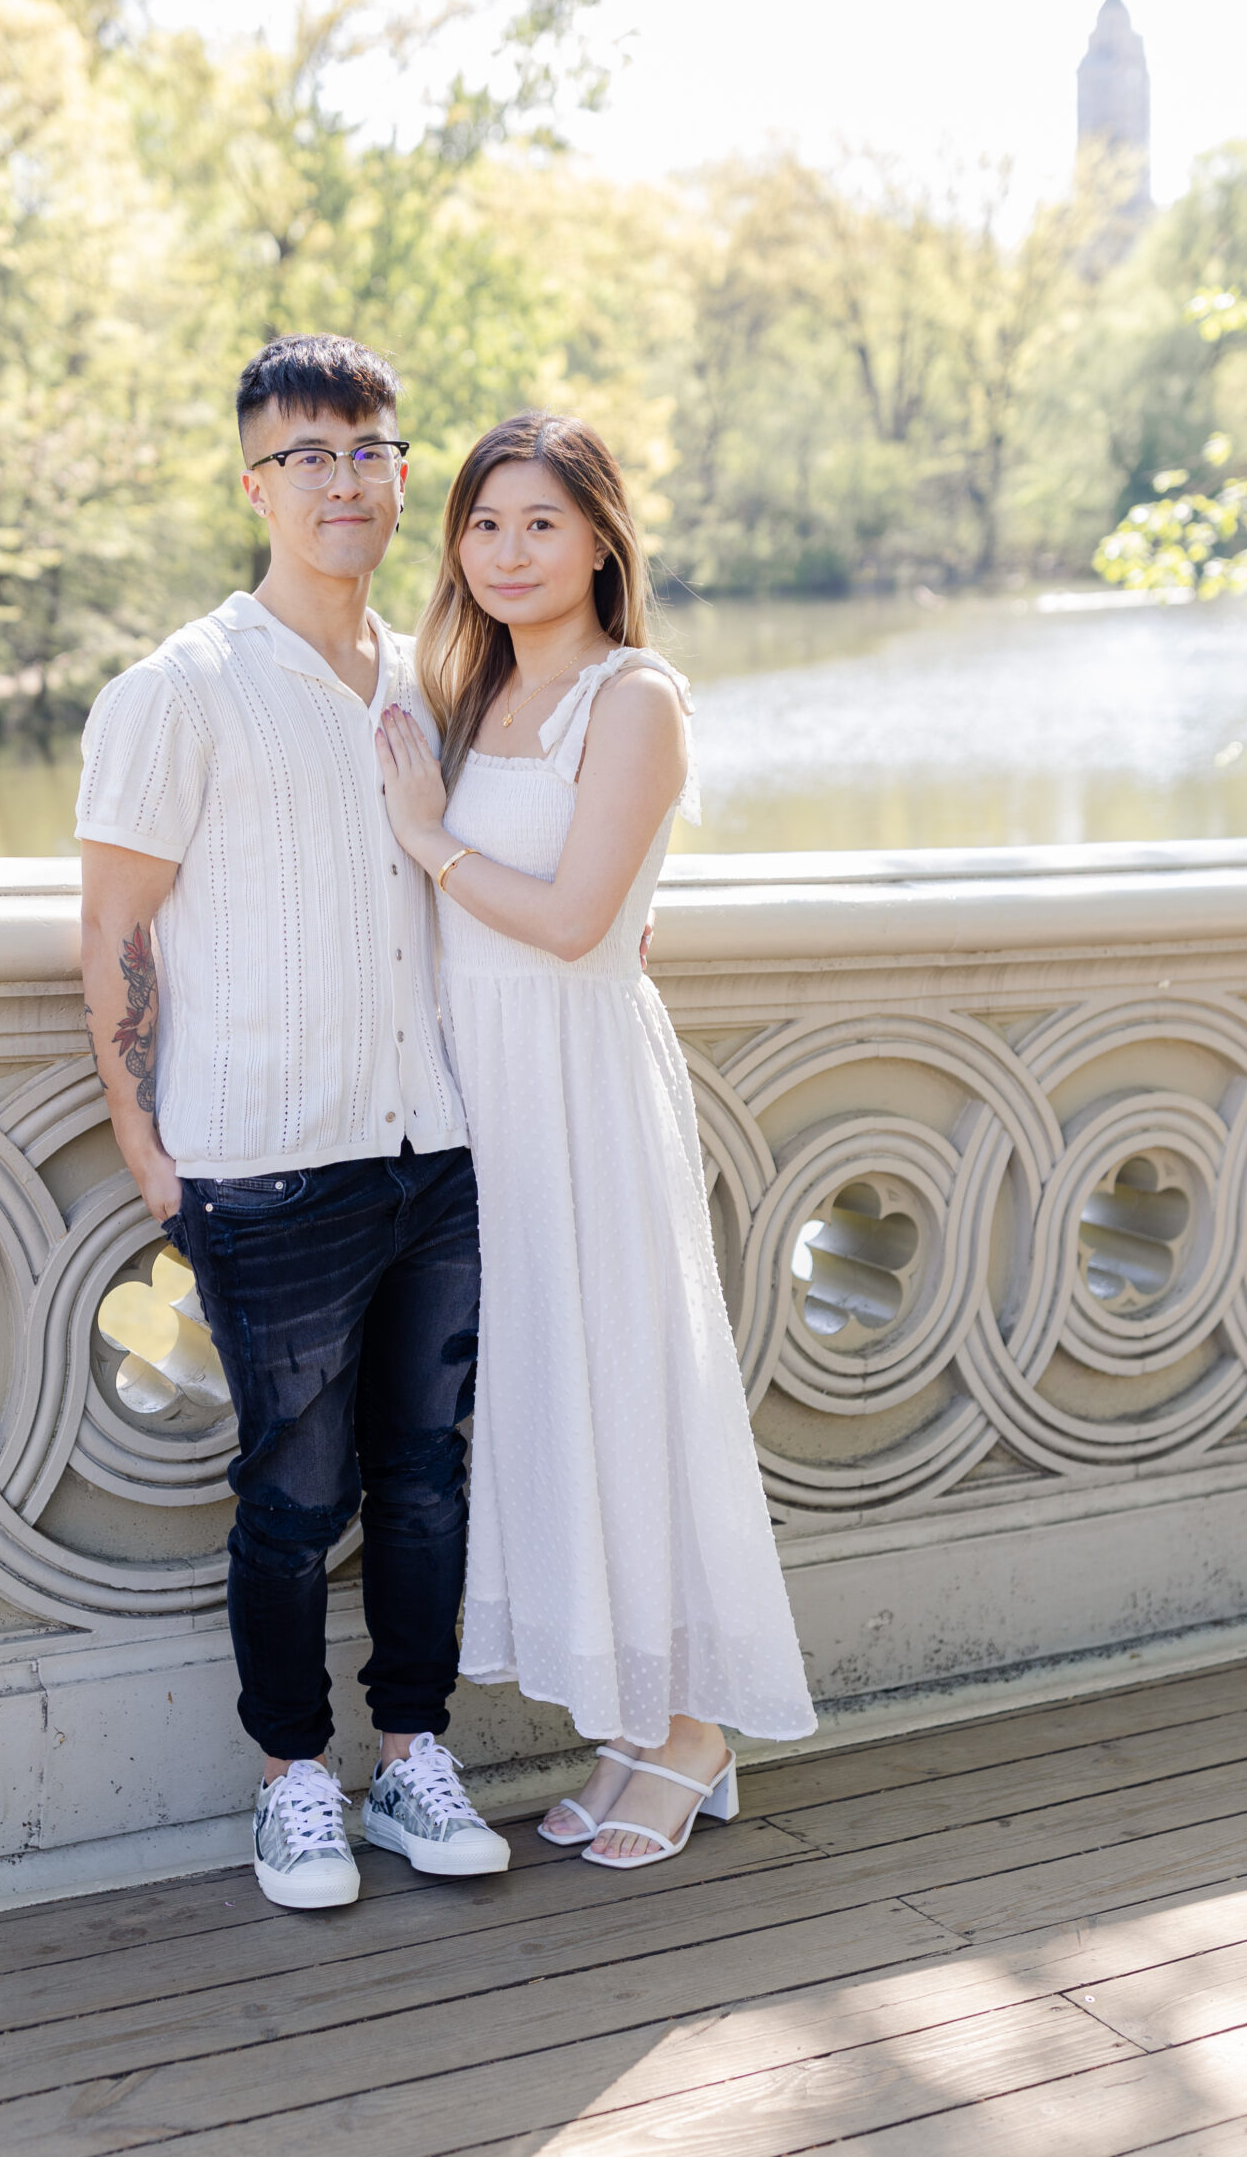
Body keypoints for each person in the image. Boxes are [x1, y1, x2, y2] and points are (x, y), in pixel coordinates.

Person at [74, 334, 511, 1910]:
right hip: (264, 1165)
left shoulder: (433, 681)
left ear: (403, 476)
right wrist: (150, 1156)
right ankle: (293, 1783)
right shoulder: (177, 689)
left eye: (371, 451)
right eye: (308, 455)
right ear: (254, 482)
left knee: (425, 1477)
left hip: (434, 1151)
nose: (345, 480)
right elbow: (117, 929)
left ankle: (410, 1756)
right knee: (290, 1494)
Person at [375, 411, 816, 1869]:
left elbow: (576, 925)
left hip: (579, 1079)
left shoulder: (635, 699)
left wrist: (431, 835)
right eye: (484, 525)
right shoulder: (467, 689)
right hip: (479, 1092)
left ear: (601, 540)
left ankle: (699, 1731)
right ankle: (636, 1716)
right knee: (549, 1392)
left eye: (540, 524)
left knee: (634, 1380)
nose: (507, 552)